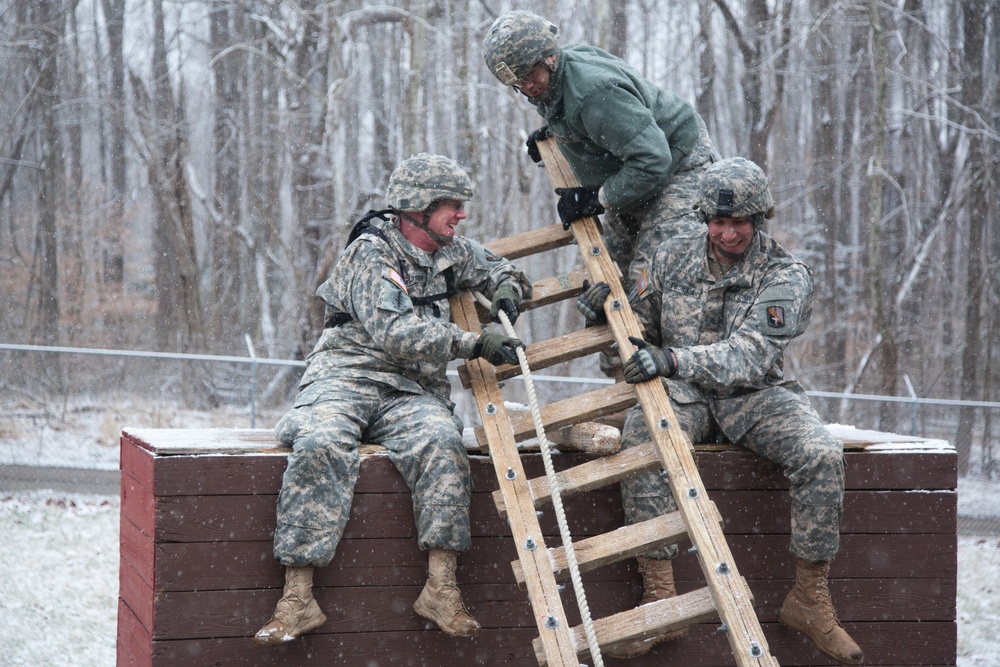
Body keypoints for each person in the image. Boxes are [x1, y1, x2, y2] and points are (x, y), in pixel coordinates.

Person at [575, 158, 864, 665]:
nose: (729, 233)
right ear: (704, 217)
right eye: (719, 222)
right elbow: (632, 343)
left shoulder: (785, 275)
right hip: (683, 394)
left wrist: (672, 358)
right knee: (643, 440)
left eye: (740, 223)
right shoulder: (670, 257)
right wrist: (606, 314)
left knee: (821, 453)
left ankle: (811, 599)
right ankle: (659, 596)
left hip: (754, 396)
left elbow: (752, 353)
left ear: (759, 219)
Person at [254, 153, 532, 646]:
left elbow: (500, 270)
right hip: (347, 378)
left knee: (445, 443)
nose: (461, 216)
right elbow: (397, 333)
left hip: (411, 392)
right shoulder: (371, 253)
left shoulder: (452, 251)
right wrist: (472, 343)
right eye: (451, 206)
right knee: (320, 443)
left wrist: (508, 289)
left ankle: (441, 588)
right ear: (418, 208)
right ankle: (296, 598)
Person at [483, 10, 719, 291]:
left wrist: (597, 198)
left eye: (530, 75)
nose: (527, 86)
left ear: (549, 57)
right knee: (605, 279)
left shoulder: (594, 94)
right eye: (518, 82)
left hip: (678, 165)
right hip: (632, 166)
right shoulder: (555, 79)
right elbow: (585, 119)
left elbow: (652, 159)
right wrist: (559, 135)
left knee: (652, 282)